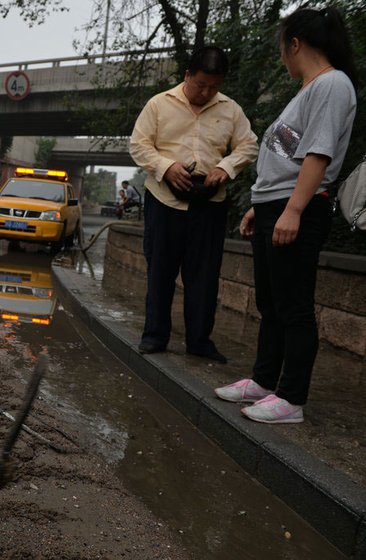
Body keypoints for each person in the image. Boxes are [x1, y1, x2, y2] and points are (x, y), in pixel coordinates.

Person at [215, 7, 357, 424]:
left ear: (294, 44)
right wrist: (262, 205)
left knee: (294, 305)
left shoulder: (332, 85)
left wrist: (293, 210)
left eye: (282, 47)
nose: (281, 56)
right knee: (271, 302)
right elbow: (286, 159)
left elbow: (319, 155)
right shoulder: (308, 89)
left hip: (299, 206)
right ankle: (263, 381)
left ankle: (291, 398)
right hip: (277, 204)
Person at [129, 46, 259, 363]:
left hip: (209, 202)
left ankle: (199, 341)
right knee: (160, 270)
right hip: (163, 199)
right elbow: (138, 144)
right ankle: (155, 336)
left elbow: (249, 145)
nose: (206, 92)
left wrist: (224, 169)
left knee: (204, 276)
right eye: (200, 84)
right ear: (187, 75)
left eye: (214, 86)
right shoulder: (159, 104)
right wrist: (166, 167)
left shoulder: (231, 110)